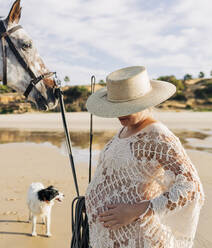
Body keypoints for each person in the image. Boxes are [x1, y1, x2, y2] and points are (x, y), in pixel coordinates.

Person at [84, 66, 204, 247]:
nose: (120, 113)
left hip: (138, 238)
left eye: (127, 106)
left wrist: (137, 210)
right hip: (106, 238)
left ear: (146, 102)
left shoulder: (157, 134)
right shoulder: (124, 130)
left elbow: (191, 187)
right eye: (116, 106)